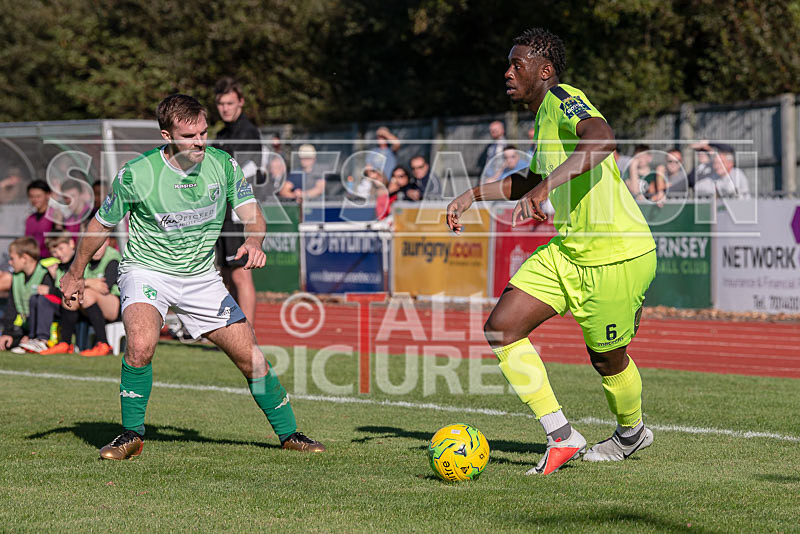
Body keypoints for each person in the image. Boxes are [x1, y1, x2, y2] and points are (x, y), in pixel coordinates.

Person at [60, 94, 324, 459]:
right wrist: (75, 273)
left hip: (202, 277)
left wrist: (254, 238)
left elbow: (253, 213)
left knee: (253, 359)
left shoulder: (223, 165)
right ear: (167, 136)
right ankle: (131, 436)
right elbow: (100, 225)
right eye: (189, 136)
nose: (200, 141)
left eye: (203, 132)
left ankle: (290, 434)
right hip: (147, 270)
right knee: (140, 346)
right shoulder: (138, 174)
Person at [446, 28, 656, 475]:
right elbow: (528, 178)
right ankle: (562, 436)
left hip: (615, 252)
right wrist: (473, 195)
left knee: (607, 360)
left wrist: (545, 187)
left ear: (544, 71)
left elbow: (601, 140)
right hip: (570, 252)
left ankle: (632, 433)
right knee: (502, 328)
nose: (507, 72)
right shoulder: (540, 117)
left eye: (516, 65)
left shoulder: (563, 96)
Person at [211, 77, 261, 325]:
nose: (225, 108)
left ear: (240, 102)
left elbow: (238, 173)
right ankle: (232, 331)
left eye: (230, 103)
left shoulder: (247, 132)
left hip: (238, 214)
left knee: (241, 275)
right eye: (221, 104)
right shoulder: (220, 134)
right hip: (220, 213)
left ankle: (248, 334)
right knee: (228, 277)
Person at [40, 233, 120, 356]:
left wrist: (83, 283)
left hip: (115, 306)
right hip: (88, 305)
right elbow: (72, 282)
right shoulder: (83, 258)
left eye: (100, 244)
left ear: (107, 241)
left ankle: (104, 344)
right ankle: (65, 343)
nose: (97, 249)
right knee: (71, 296)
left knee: (86, 294)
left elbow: (105, 287)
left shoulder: (113, 258)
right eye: (94, 245)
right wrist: (90, 282)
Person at [0, 237, 60, 353]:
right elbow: (11, 308)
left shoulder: (44, 273)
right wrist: (7, 333)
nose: (9, 262)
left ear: (24, 258)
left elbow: (46, 307)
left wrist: (31, 335)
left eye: (12, 259)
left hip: (47, 329)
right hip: (27, 326)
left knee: (38, 299)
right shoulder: (17, 277)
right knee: (8, 343)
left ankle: (38, 340)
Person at [24, 180, 56, 259]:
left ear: (48, 195)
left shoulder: (55, 216)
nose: (35, 200)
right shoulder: (30, 219)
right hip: (33, 259)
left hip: (50, 259)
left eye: (38, 196)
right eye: (32, 196)